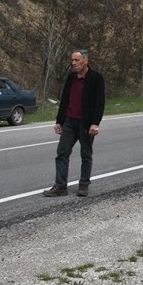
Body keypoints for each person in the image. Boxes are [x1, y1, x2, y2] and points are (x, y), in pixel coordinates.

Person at [43, 49, 106, 198]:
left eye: (77, 60)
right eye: (72, 60)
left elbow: (100, 103)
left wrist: (95, 123)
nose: (73, 63)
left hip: (85, 124)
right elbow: (65, 99)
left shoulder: (96, 78)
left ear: (85, 61)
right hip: (69, 122)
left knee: (86, 154)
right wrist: (59, 120)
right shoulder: (71, 78)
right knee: (62, 153)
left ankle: (84, 185)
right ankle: (60, 186)